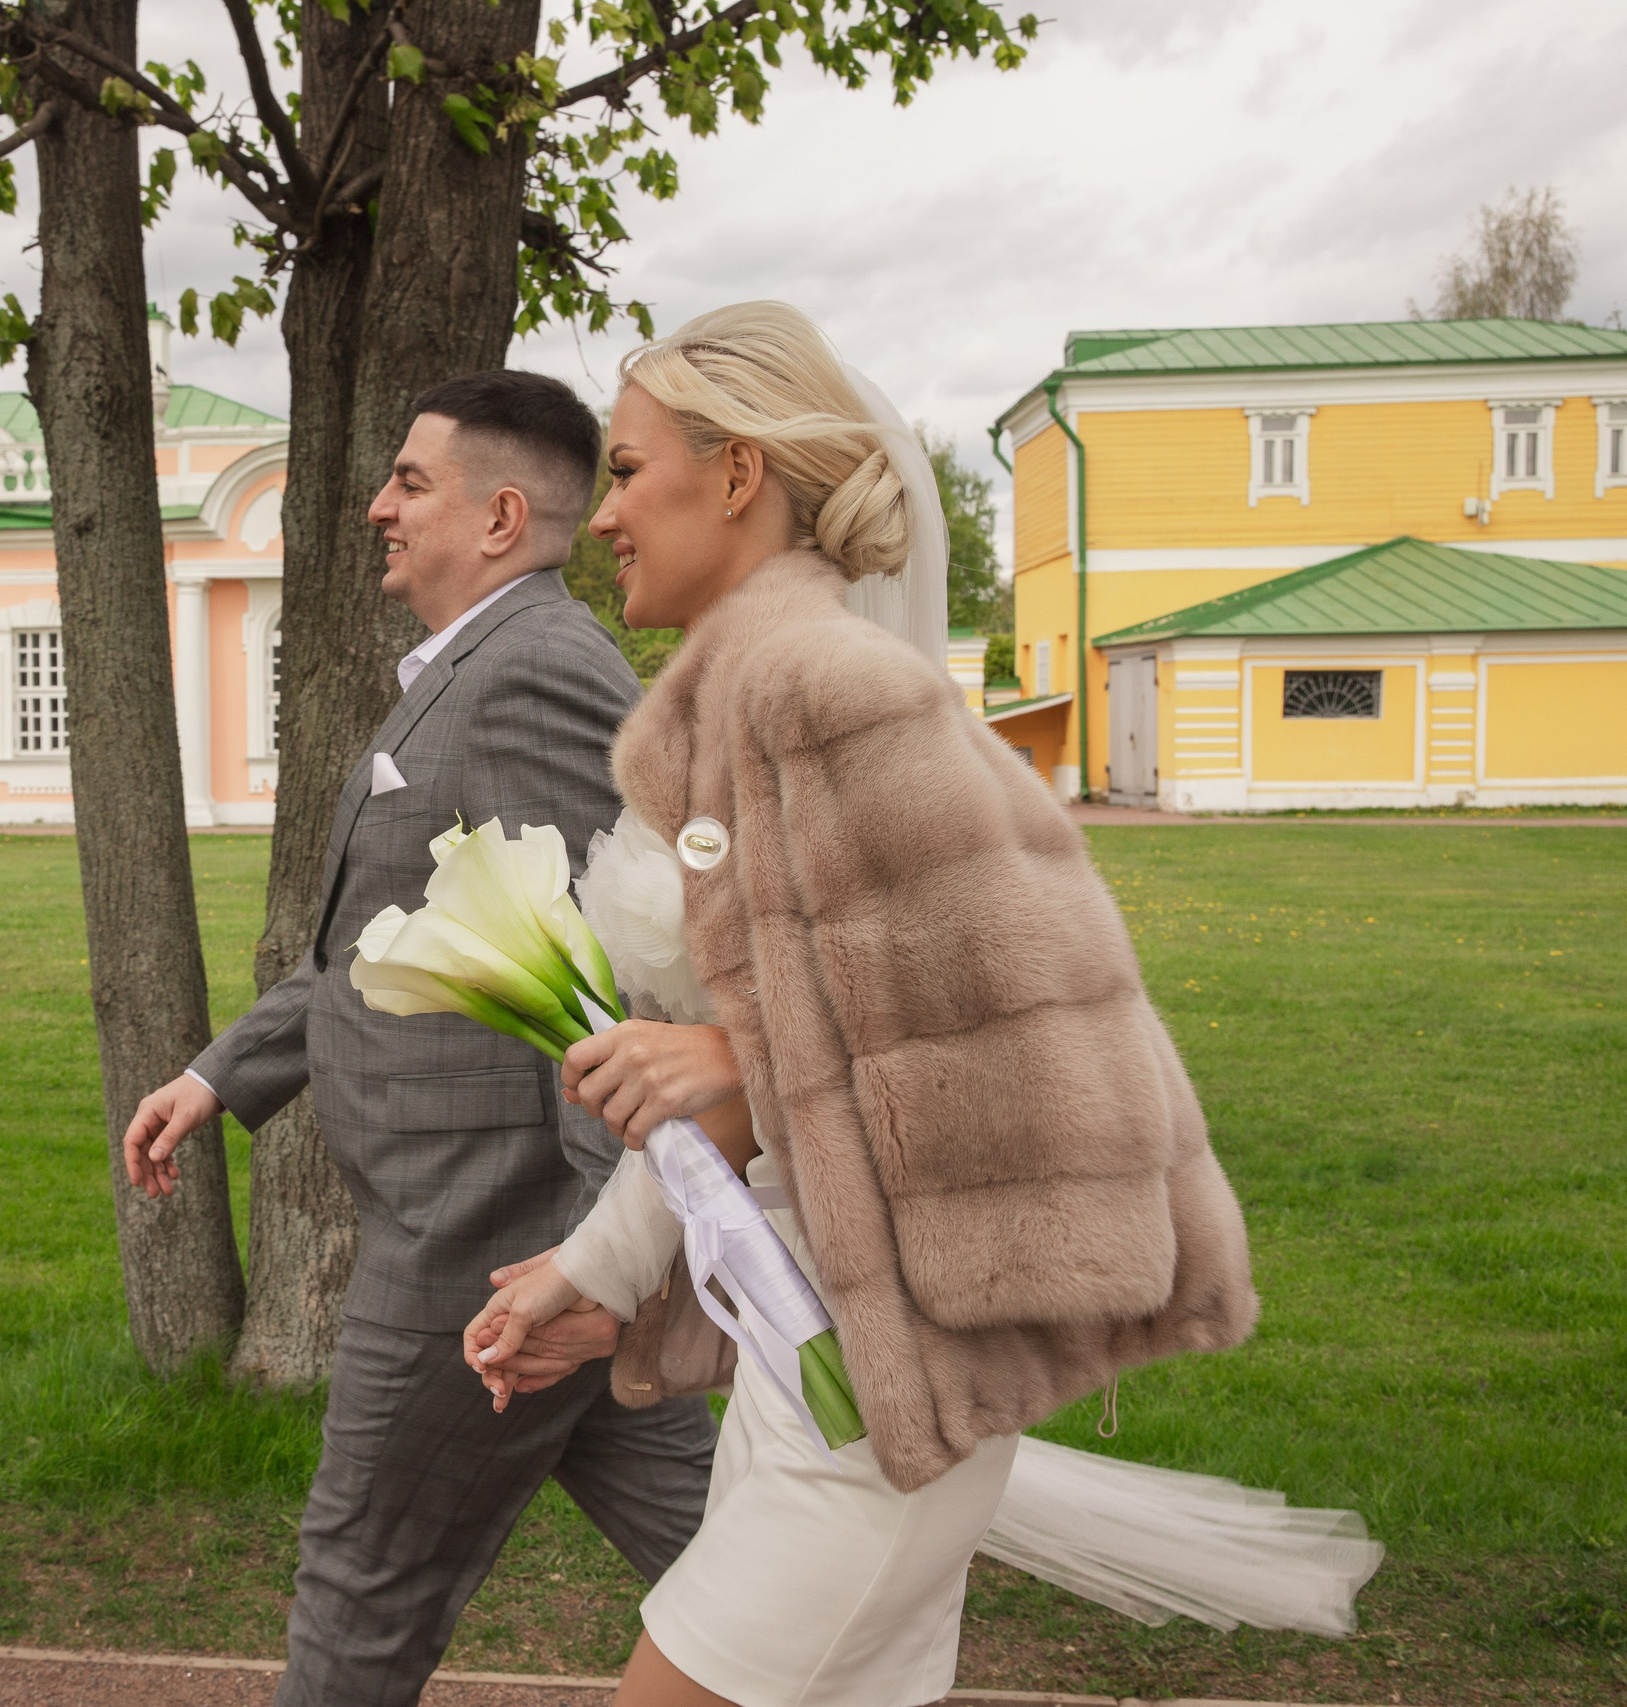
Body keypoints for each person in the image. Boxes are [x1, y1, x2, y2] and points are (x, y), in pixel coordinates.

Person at [464, 303, 1268, 1707]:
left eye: (634, 468)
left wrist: (730, 1050)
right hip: (822, 1376)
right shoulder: (746, 703)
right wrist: (596, 1277)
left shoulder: (824, 688)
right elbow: (774, 1102)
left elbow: (1046, 1044)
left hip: (884, 1405)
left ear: (737, 478)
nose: (602, 519)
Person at [122, 370, 720, 1707]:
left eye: (409, 481)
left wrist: (583, 1261)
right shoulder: (471, 671)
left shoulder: (534, 677)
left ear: (501, 516)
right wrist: (221, 1074)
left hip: (479, 1236)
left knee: (359, 1585)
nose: (378, 506)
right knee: (746, 1558)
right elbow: (397, 945)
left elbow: (596, 977)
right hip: (517, 1236)